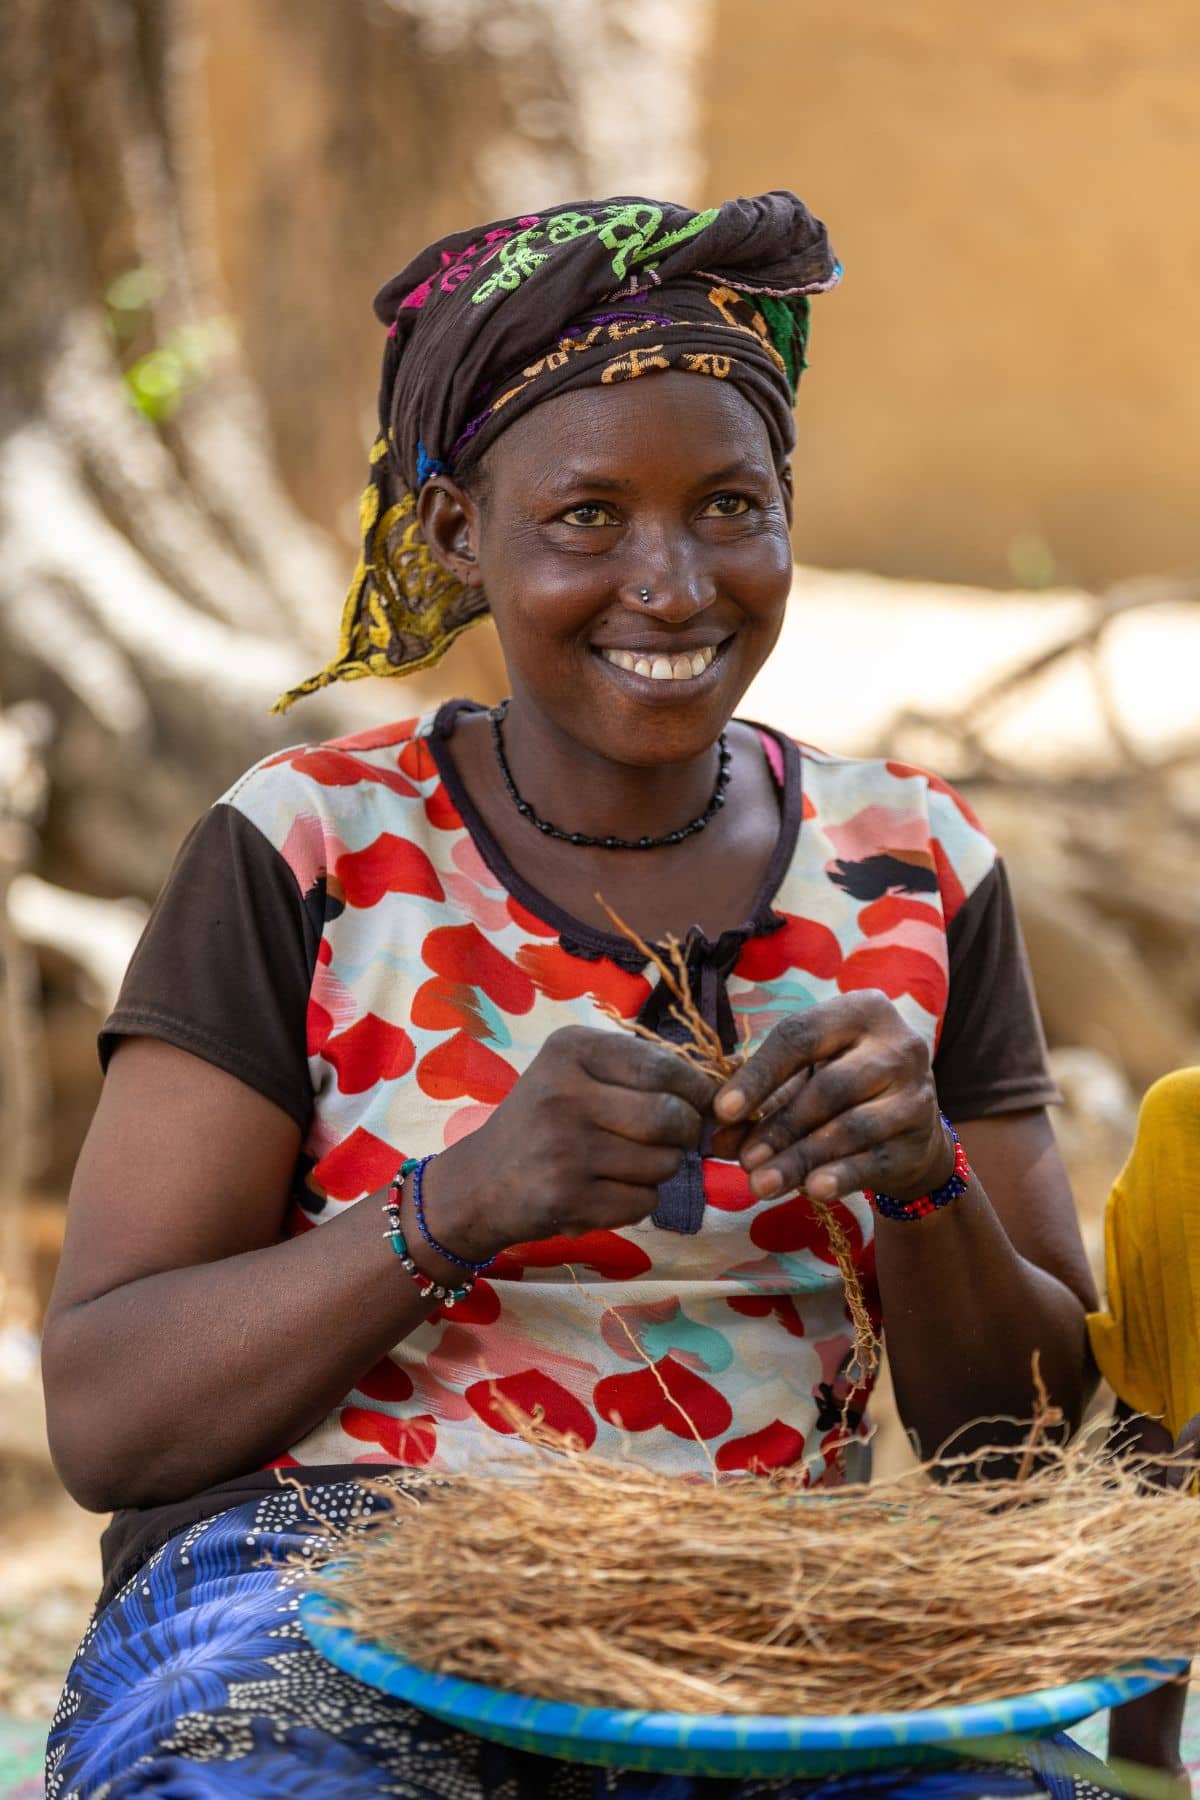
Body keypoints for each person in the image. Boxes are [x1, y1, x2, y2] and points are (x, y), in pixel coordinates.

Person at [43, 193, 1125, 1798]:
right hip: (326, 1588)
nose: (673, 585)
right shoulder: (315, 848)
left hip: (770, 1619)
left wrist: (926, 1186)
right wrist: (462, 1203)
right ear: (453, 533)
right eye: (589, 517)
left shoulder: (917, 864)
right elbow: (110, 1418)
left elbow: (1015, 1460)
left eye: (730, 506)